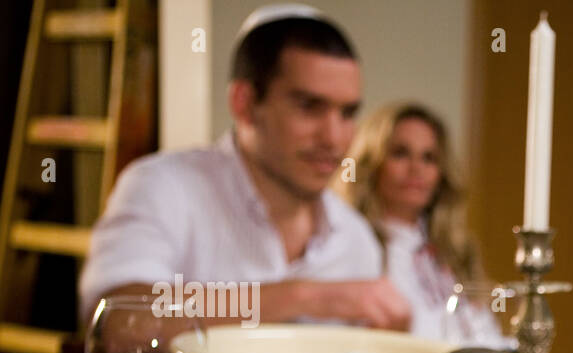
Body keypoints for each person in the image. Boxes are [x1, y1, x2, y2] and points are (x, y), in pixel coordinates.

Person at [79, 5, 410, 330]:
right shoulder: (161, 186)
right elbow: (120, 319)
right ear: (245, 104)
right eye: (309, 107)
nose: (334, 137)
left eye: (347, 113)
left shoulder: (356, 241)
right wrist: (303, 297)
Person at [334, 102, 511, 346]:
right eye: (400, 153)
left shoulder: (454, 250)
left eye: (429, 158)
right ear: (372, 163)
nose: (416, 169)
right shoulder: (351, 244)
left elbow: (485, 336)